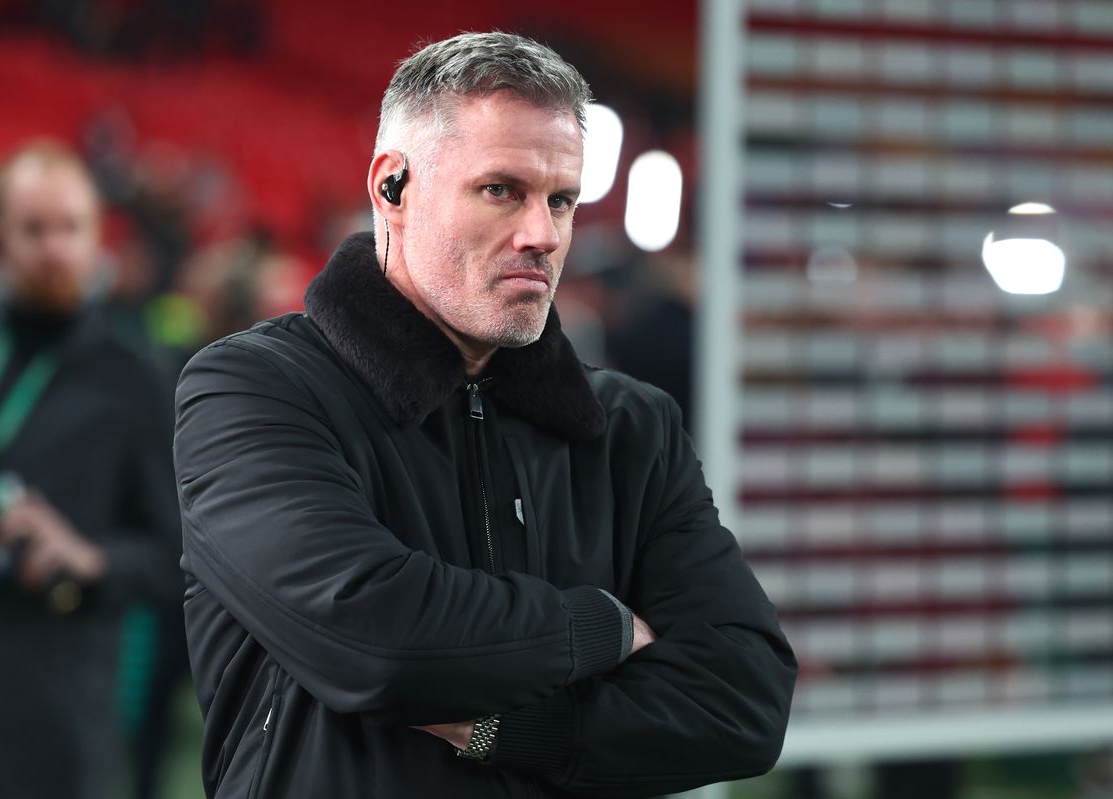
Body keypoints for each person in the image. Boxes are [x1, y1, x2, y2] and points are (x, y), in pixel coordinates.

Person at [174, 32, 796, 799]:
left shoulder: (632, 425)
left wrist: (514, 730)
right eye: (502, 189)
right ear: (392, 187)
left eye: (561, 199)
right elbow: (374, 640)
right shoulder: (253, 388)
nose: (543, 233)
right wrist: (600, 627)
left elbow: (746, 702)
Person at [0, 141, 182, 798]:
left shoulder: (136, 379)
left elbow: (176, 554)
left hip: (62, 702)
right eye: (33, 229)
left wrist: (86, 556)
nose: (53, 247)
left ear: (97, 236)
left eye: (70, 227)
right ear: (0, 238)